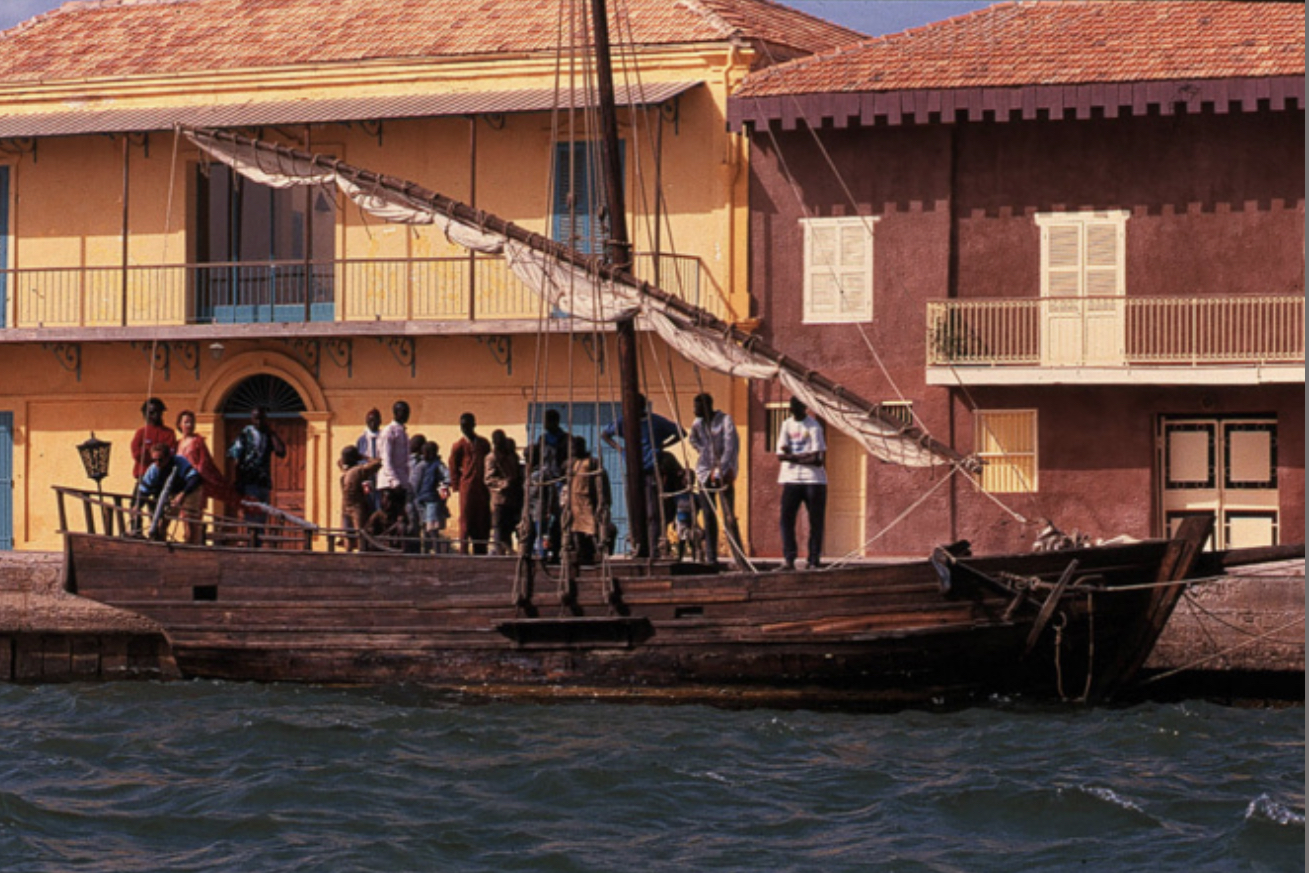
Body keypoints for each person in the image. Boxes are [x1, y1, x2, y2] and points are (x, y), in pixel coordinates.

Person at [601, 393, 684, 556]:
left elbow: (680, 432)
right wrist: (621, 449)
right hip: (633, 472)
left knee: (652, 512)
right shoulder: (624, 422)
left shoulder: (655, 421)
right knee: (635, 511)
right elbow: (605, 434)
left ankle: (653, 549)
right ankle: (638, 546)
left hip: (651, 470)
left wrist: (662, 446)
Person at [688, 392, 747, 568]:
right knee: (708, 515)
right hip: (704, 472)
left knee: (729, 517)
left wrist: (719, 470)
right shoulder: (697, 423)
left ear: (707, 407)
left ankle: (739, 558)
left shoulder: (725, 421)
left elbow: (730, 448)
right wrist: (703, 451)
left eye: (697, 407)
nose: (694, 410)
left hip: (724, 472)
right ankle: (711, 557)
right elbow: (692, 439)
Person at [776, 397, 827, 570]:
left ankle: (813, 559)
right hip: (791, 479)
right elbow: (780, 455)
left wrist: (791, 456)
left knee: (816, 521)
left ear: (804, 407)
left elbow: (817, 459)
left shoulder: (814, 426)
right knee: (786, 519)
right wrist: (804, 456)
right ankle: (789, 558)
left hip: (813, 480)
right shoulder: (786, 425)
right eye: (791, 408)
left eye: (797, 408)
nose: (793, 411)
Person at [227, 406, 287, 547]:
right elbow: (235, 457)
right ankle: (252, 547)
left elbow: (281, 452)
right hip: (248, 481)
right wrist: (238, 480)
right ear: (251, 419)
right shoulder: (245, 435)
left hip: (263, 482)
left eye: (261, 419)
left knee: (261, 518)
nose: (259, 422)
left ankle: (256, 546)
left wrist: (271, 432)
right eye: (256, 419)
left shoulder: (267, 435)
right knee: (252, 517)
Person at [174, 409, 227, 545]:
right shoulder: (178, 444)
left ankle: (194, 546)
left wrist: (195, 476)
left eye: (192, 422)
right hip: (182, 484)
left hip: (195, 485)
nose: (189, 425)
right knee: (184, 520)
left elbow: (204, 462)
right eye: (186, 422)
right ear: (180, 424)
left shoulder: (198, 442)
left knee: (194, 520)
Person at [136, 442, 202, 541]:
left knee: (189, 517)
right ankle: (160, 542)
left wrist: (182, 494)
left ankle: (191, 543)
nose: (157, 463)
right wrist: (137, 505)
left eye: (160, 460)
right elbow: (144, 489)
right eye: (154, 460)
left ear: (168, 457)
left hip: (189, 489)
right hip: (171, 490)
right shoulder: (153, 469)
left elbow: (194, 478)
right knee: (163, 519)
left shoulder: (179, 461)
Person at [448, 412, 492, 555]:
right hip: (467, 487)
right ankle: (464, 550)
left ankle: (481, 549)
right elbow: (453, 466)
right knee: (466, 518)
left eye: (467, 425)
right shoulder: (459, 446)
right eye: (462, 426)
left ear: (474, 425)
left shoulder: (483, 443)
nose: (465, 429)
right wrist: (456, 484)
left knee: (482, 518)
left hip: (482, 487)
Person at [565, 435, 610, 565]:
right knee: (575, 528)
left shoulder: (592, 462)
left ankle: (598, 552)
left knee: (592, 528)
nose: (573, 450)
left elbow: (601, 482)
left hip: (587, 500)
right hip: (574, 501)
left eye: (575, 447)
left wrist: (603, 500)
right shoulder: (572, 463)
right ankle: (581, 554)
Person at [484, 429, 524, 556]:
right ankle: (499, 553)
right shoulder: (491, 458)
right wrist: (503, 483)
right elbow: (488, 479)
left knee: (510, 527)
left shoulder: (511, 456)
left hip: (513, 498)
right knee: (498, 528)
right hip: (499, 498)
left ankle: (509, 552)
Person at [375, 401, 411, 529]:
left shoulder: (403, 432)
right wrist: (394, 480)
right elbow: (386, 458)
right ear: (395, 413)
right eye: (403, 412)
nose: (406, 415)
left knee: (400, 519)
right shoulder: (389, 431)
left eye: (407, 412)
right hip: (389, 483)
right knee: (388, 519)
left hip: (401, 482)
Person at [338, 445, 381, 552]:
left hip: (346, 506)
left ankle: (350, 552)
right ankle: (360, 552)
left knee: (349, 533)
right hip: (356, 506)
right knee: (360, 533)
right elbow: (377, 463)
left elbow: (339, 462)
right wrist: (364, 457)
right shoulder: (358, 471)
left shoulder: (347, 471)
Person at [416, 441, 451, 552]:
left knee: (432, 526)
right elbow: (415, 481)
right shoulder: (421, 465)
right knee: (425, 527)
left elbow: (448, 477)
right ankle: (426, 551)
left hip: (433, 499)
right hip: (421, 499)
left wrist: (442, 486)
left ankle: (437, 550)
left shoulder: (438, 465)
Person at [130, 397, 177, 481]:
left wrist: (151, 453)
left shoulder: (169, 433)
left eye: (158, 412)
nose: (156, 415)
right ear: (145, 414)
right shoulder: (141, 432)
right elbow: (136, 453)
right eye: (152, 412)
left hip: (163, 476)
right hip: (143, 475)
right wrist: (156, 455)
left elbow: (171, 453)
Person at [356, 407, 383, 512]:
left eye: (375, 420)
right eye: (370, 421)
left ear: (380, 421)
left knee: (380, 504)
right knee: (368, 504)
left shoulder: (384, 437)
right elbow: (359, 458)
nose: (373, 423)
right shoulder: (362, 440)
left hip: (381, 475)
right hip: (367, 476)